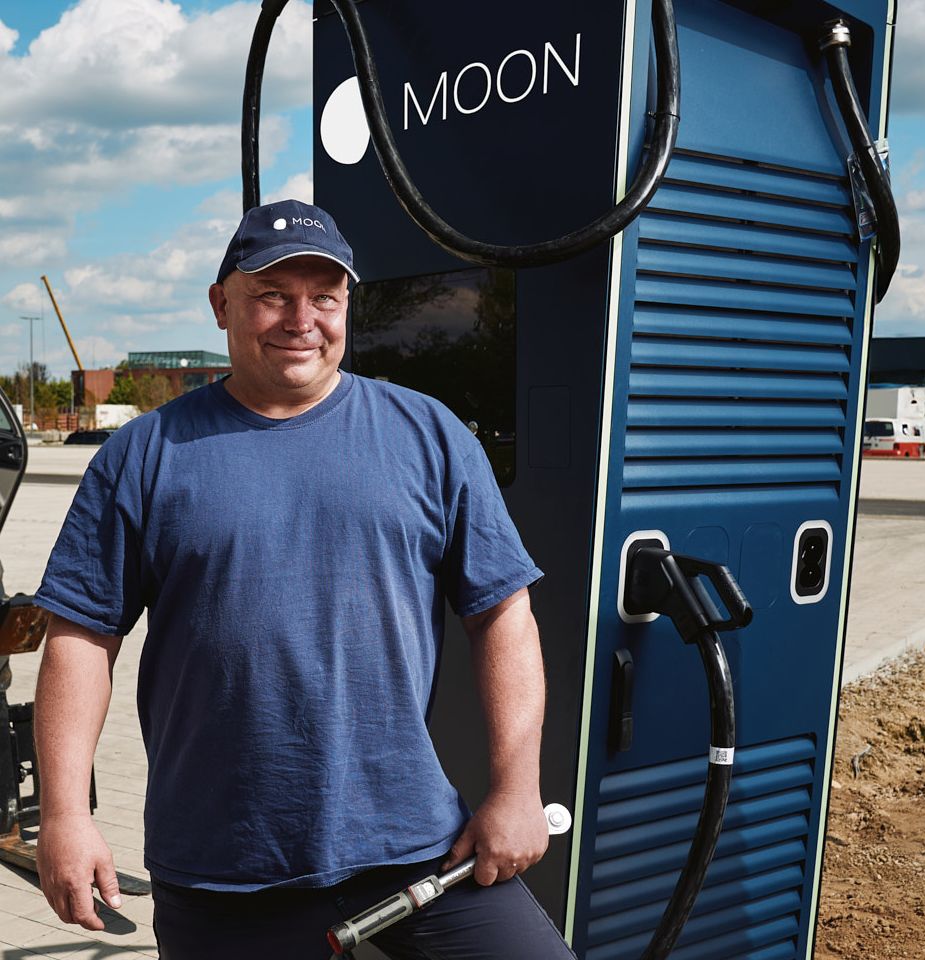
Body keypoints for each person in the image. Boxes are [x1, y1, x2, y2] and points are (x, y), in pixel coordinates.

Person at [32, 199, 577, 959]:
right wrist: (64, 813)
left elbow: (504, 613)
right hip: (224, 867)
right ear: (222, 304)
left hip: (416, 847)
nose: (302, 319)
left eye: (325, 297)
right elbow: (81, 636)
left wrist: (516, 788)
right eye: (272, 296)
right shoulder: (146, 454)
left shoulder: (429, 436)